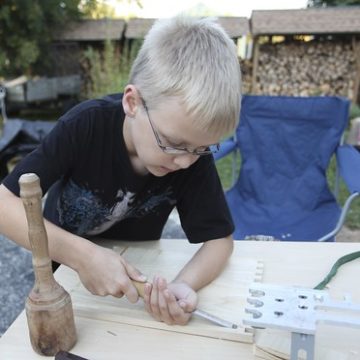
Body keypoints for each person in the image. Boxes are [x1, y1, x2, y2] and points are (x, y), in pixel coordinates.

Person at [0, 16, 241, 326]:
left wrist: (184, 284)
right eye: (172, 144)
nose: (185, 162)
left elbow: (220, 241)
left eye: (203, 148)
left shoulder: (191, 151)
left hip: (136, 275)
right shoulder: (84, 125)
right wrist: (81, 256)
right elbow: (4, 204)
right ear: (132, 103)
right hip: (65, 264)